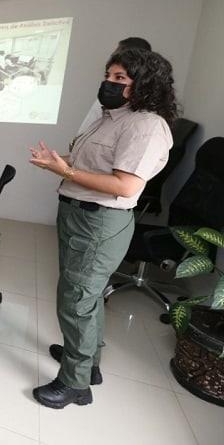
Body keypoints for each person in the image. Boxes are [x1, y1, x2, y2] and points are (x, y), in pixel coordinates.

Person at [29, 48, 175, 409]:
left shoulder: (146, 125)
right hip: (79, 215)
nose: (109, 83)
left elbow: (126, 186)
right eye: (109, 76)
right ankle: (87, 359)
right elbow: (92, 163)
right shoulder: (111, 116)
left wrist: (64, 171)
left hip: (98, 221)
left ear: (144, 84)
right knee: (87, 296)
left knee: (76, 300)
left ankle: (75, 384)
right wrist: (61, 163)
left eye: (119, 78)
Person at [77, 37, 152, 134]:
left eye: (119, 77)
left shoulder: (148, 122)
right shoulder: (105, 100)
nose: (108, 81)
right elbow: (85, 134)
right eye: (107, 76)